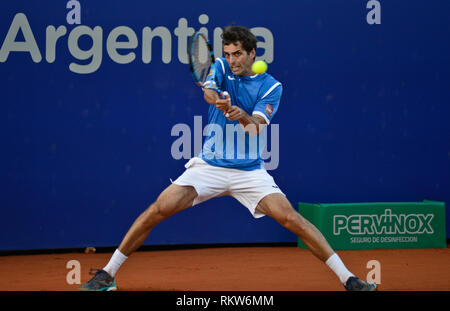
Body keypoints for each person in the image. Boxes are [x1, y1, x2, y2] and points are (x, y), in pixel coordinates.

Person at [80, 25, 376, 291]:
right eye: (228, 54)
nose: (232, 60)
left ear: (252, 54)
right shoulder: (219, 67)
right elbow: (209, 93)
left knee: (292, 219)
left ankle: (348, 279)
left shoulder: (272, 86)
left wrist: (242, 115)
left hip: (249, 172)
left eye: (238, 54)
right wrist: (219, 100)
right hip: (209, 166)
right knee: (158, 208)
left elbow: (257, 126)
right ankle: (108, 274)